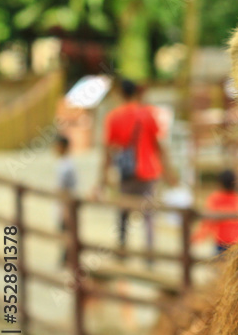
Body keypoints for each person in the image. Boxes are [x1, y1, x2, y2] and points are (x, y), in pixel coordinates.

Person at [95, 79, 169, 261]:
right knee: (149, 216)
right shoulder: (148, 114)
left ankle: (122, 251)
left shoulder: (114, 117)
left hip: (127, 174)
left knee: (123, 214)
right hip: (149, 172)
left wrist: (102, 180)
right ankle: (150, 255)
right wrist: (169, 172)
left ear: (121, 93)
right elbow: (159, 145)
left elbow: (108, 151)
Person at [193, 170, 238, 255]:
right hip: (237, 242)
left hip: (221, 242)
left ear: (220, 183)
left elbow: (208, 221)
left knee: (219, 264)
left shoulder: (215, 199)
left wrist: (198, 237)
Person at [55, 134, 77, 265]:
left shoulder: (66, 166)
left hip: (66, 203)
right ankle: (66, 257)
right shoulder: (63, 163)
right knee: (65, 230)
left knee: (66, 230)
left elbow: (66, 188)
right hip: (63, 203)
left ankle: (67, 258)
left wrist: (65, 207)